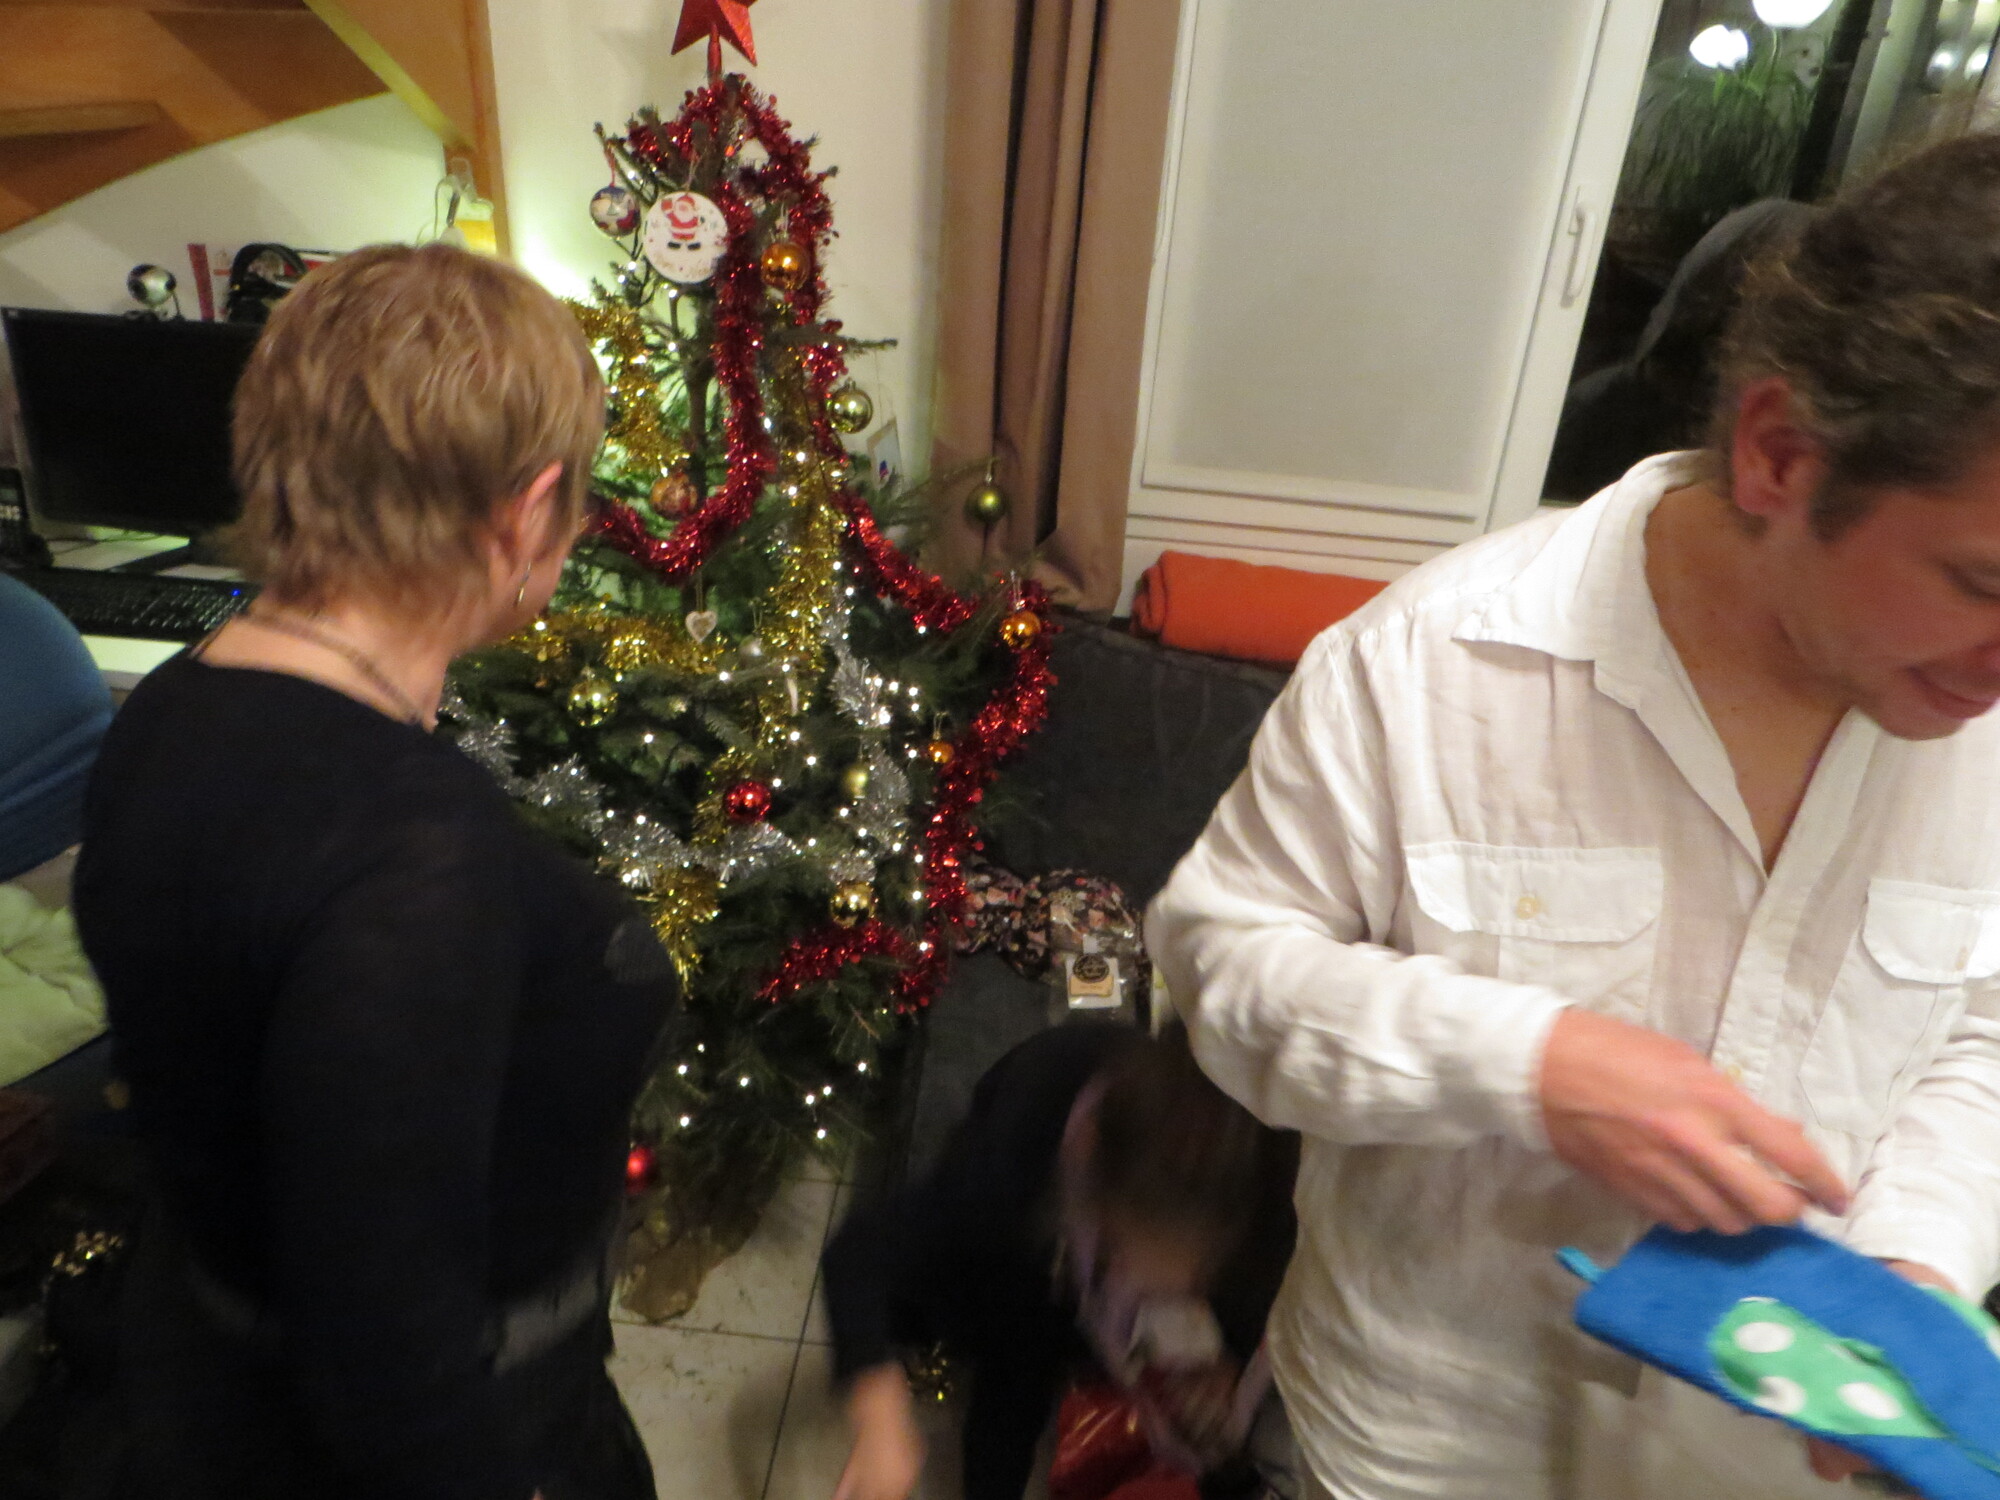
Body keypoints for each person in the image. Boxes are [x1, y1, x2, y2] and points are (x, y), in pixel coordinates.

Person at [1147, 129, 2000, 1500]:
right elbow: (1220, 973)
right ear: (1779, 454)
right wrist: (1530, 1063)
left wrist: (1916, 1261)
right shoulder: (1428, 665)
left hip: (1760, 1475)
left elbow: (1982, 1031)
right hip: (1413, 1455)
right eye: (1981, 583)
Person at [72, 244, 672, 1500]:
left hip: (202, 1369)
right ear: (527, 512)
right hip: (469, 1437)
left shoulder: (166, 709)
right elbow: (390, 1370)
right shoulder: (416, 855)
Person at [821, 1022, 1298, 1500]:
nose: (1177, 1295)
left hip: (1061, 1267)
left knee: (1027, 1370)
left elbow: (1247, 1298)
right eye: (1124, 1252)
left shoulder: (1257, 1201)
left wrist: (1225, 1361)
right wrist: (879, 1409)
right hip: (1016, 1225)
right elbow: (857, 1253)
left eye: (1199, 1276)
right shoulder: (1000, 1173)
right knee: (1011, 1357)